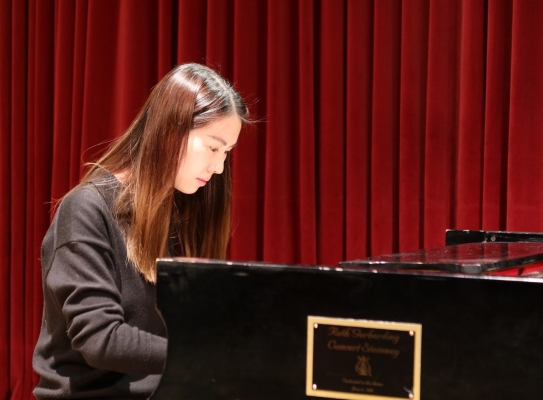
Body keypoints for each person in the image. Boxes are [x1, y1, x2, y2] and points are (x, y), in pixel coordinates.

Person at [32, 63, 249, 399]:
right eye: (213, 147)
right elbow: (101, 339)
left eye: (226, 153)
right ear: (170, 131)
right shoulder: (87, 209)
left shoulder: (183, 209)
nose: (219, 167)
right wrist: (210, 355)